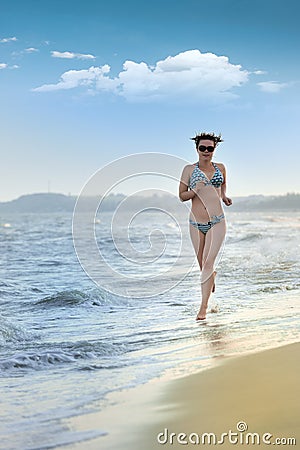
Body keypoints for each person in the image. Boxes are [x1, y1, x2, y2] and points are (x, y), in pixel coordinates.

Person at [179, 132, 232, 320]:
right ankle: (211, 278)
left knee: (208, 262)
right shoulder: (188, 170)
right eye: (203, 148)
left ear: (214, 149)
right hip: (195, 223)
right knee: (203, 266)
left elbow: (223, 185)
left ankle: (203, 309)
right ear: (197, 149)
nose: (206, 151)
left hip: (217, 221)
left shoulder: (221, 168)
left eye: (210, 148)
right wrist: (195, 190)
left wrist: (224, 196)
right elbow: (181, 196)